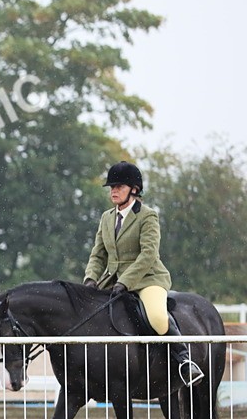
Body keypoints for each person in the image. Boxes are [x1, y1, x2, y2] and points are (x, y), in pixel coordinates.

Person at [83, 160, 204, 385]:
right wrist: (90, 279)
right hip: (114, 280)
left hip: (148, 279)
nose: (114, 191)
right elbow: (98, 254)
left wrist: (126, 282)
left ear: (134, 190)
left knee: (157, 317)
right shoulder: (106, 218)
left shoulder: (148, 216)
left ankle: (184, 361)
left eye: (119, 186)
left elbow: (148, 255)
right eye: (112, 187)